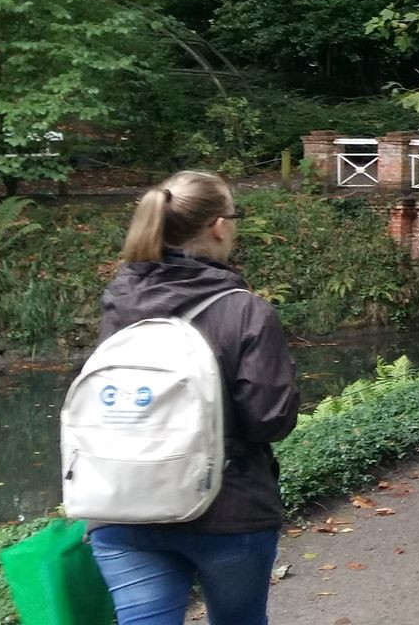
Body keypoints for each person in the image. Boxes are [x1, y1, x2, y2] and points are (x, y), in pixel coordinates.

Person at [88, 170, 299, 625]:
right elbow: (270, 420)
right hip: (228, 508)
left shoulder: (119, 300)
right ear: (219, 225)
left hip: (123, 504)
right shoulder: (245, 310)